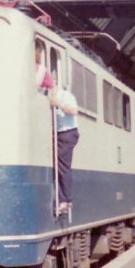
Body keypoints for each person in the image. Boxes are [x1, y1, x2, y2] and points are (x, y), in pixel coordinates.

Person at [50, 82, 79, 213]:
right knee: (59, 165)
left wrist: (59, 104)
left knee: (62, 166)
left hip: (67, 133)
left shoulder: (66, 96)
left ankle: (66, 200)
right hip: (60, 133)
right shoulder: (51, 97)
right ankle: (64, 200)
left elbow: (74, 111)